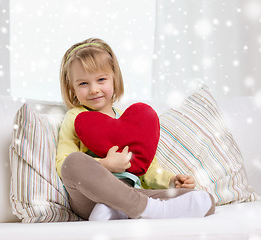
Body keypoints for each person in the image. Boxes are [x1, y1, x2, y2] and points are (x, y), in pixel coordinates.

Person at [56, 38, 215, 221]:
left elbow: (147, 166)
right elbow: (62, 164)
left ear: (114, 79)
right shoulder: (75, 117)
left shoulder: (131, 120)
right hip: (90, 199)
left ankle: (119, 211)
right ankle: (150, 210)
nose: (94, 89)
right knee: (72, 162)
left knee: (205, 200)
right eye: (83, 83)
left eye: (101, 79)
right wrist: (106, 164)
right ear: (72, 88)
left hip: (132, 191)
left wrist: (171, 181)